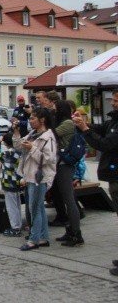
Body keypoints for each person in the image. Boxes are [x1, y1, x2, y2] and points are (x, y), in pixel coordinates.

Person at [74, 89, 118, 274]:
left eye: (116, 100)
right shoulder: (113, 120)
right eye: (113, 100)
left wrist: (85, 129)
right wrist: (83, 124)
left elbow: (105, 144)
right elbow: (100, 129)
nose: (113, 103)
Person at [15, 107, 57, 251]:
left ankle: (34, 240)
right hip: (30, 175)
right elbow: (17, 146)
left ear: (42, 120)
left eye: (33, 118)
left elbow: (49, 159)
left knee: (35, 209)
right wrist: (16, 132)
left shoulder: (48, 137)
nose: (30, 121)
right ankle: (43, 237)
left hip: (40, 178)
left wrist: (32, 148)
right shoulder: (32, 134)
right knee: (39, 208)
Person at [49, 100, 83, 246]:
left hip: (65, 165)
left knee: (69, 199)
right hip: (60, 163)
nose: (53, 111)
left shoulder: (68, 123)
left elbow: (52, 134)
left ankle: (76, 234)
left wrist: (48, 118)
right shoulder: (62, 122)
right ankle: (70, 231)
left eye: (55, 109)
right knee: (65, 198)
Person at [0, 132, 22, 237]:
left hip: (8, 182)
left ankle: (15, 228)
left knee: (11, 206)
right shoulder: (19, 152)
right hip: (18, 182)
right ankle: (18, 225)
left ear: (5, 142)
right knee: (17, 205)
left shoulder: (7, 153)